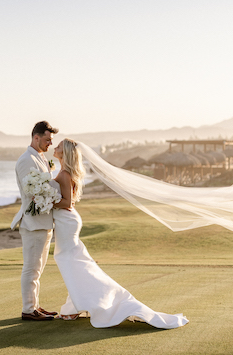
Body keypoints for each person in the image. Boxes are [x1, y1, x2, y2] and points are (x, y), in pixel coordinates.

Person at [50, 138, 189, 328]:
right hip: (69, 220)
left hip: (67, 219)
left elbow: (67, 203)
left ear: (64, 152)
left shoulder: (65, 174)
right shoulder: (64, 172)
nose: (54, 147)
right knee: (74, 263)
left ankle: (82, 305)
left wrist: (45, 202)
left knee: (70, 262)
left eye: (57, 146)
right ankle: (71, 308)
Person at [11, 121, 72, 321]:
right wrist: (62, 191)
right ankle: (29, 310)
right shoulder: (26, 160)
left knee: (38, 268)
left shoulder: (40, 158)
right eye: (47, 140)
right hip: (33, 223)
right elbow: (34, 191)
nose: (49, 144)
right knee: (31, 267)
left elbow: (45, 186)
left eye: (51, 141)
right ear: (36, 137)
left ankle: (35, 305)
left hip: (44, 222)